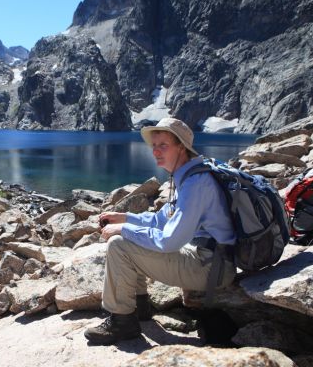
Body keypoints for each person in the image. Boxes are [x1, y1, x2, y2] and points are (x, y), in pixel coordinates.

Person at [84, 117, 237, 345]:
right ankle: (140, 306)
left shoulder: (196, 184)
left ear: (181, 148)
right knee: (129, 237)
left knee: (119, 245)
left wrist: (123, 229)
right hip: (208, 259)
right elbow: (160, 220)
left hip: (212, 268)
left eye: (163, 145)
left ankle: (122, 321)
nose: (155, 152)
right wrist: (126, 218)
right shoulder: (187, 175)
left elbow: (168, 241)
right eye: (154, 146)